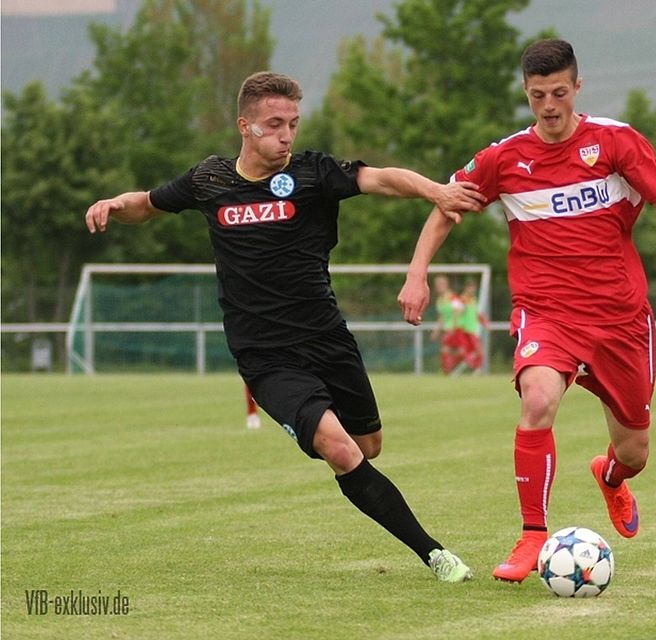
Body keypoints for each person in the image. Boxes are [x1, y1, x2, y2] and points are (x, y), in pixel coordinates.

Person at [84, 71, 486, 582]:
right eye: (274, 125)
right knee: (339, 450)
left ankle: (331, 442)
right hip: (265, 356)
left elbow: (381, 177)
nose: (286, 136)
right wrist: (116, 205)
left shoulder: (314, 173)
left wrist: (438, 192)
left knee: (368, 448)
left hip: (327, 338)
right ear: (244, 126)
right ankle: (436, 555)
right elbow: (148, 203)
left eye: (293, 124)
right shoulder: (210, 180)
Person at [397, 39, 656, 583]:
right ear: (526, 92)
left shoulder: (615, 142)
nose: (549, 105)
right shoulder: (505, 158)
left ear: (577, 88)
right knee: (536, 400)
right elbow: (448, 206)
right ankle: (532, 537)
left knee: (634, 449)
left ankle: (610, 477)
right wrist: (417, 274)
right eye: (538, 95)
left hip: (621, 320)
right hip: (547, 313)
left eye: (559, 93)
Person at [430, 275, 466, 375]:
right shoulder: (440, 300)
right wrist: (436, 331)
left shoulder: (451, 297)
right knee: (453, 351)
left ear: (445, 285)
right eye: (436, 285)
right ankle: (452, 368)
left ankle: (448, 370)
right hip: (449, 329)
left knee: (446, 349)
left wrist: (454, 325)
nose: (438, 287)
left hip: (456, 328)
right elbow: (441, 318)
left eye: (440, 285)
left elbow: (460, 309)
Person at [457, 280, 488, 374]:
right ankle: (474, 368)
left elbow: (477, 313)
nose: (472, 290)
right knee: (468, 352)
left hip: (472, 330)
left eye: (473, 288)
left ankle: (475, 369)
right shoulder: (462, 300)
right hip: (464, 329)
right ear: (466, 288)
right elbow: (458, 312)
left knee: (477, 351)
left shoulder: (473, 300)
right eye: (470, 288)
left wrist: (484, 322)